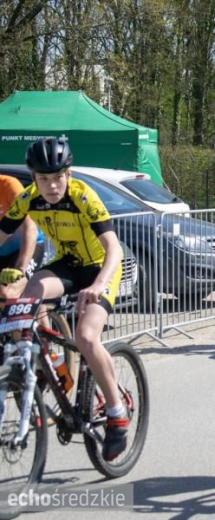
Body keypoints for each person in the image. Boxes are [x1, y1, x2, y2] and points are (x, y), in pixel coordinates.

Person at [0, 137, 129, 461]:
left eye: (58, 177)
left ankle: (117, 413)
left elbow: (114, 248)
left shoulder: (83, 195)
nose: (52, 185)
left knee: (86, 336)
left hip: (102, 268)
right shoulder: (28, 198)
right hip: (69, 264)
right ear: (35, 177)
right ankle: (47, 366)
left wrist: (98, 285)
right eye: (44, 179)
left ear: (68, 174)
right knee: (23, 302)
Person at [0, 174, 45, 299]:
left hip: (27, 246)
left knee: (7, 292)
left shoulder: (9, 184)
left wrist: (20, 268)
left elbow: (30, 228)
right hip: (2, 250)